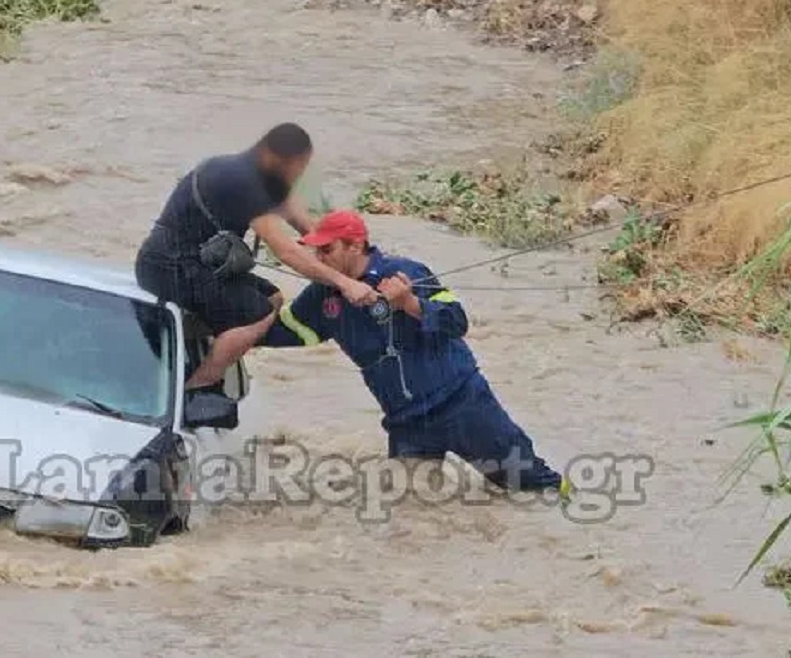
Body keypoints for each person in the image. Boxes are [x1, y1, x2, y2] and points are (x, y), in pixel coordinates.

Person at [257, 209, 568, 496]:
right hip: (407, 424)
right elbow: (287, 331)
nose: (319, 258)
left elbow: (457, 321)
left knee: (533, 486)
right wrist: (233, 317)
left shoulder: (405, 271)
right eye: (315, 251)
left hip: (463, 405)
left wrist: (411, 305)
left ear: (355, 245)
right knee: (411, 515)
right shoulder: (322, 295)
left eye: (327, 250)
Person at [135, 123, 378, 390]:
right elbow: (286, 251)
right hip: (169, 266)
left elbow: (304, 224)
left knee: (272, 298)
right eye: (301, 167)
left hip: (196, 263)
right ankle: (198, 386)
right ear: (281, 159)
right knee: (256, 315)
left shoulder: (252, 171)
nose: (302, 175)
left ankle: (198, 342)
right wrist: (345, 283)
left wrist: (340, 249)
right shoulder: (245, 183)